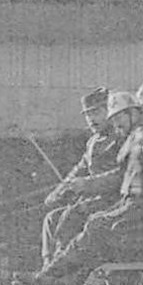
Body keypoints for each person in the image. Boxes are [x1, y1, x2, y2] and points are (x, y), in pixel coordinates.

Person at [30, 89, 143, 285]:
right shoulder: (138, 132)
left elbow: (121, 175)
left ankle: (61, 276)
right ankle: (59, 274)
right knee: (90, 220)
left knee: (97, 223)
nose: (116, 125)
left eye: (118, 118)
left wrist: (86, 185)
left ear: (131, 113)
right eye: (113, 120)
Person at [40, 86, 121, 264]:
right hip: (94, 199)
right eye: (87, 115)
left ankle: (61, 268)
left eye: (97, 112)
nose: (91, 119)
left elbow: (121, 175)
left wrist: (86, 184)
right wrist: (59, 191)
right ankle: (48, 264)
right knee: (51, 218)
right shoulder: (92, 142)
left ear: (110, 111)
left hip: (115, 199)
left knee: (72, 215)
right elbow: (80, 169)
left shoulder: (120, 138)